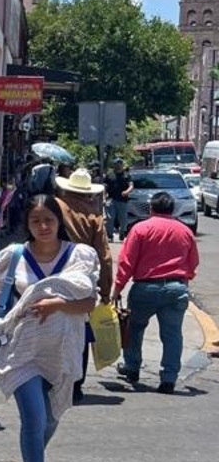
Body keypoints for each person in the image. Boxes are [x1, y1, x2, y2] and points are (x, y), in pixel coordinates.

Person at [0, 194, 97, 462]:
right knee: (34, 419)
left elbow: (89, 302)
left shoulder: (78, 256)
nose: (43, 227)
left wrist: (58, 305)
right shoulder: (14, 256)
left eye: (48, 220)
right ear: (26, 224)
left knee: (51, 417)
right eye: (35, 221)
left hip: (62, 349)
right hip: (22, 351)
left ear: (59, 222)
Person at [112, 190, 198, 393]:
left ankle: (132, 367)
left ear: (151, 208)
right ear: (172, 209)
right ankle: (169, 378)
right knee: (172, 334)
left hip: (145, 287)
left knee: (134, 329)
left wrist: (118, 288)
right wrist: (183, 279)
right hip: (176, 287)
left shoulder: (140, 229)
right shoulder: (185, 231)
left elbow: (127, 262)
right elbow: (193, 261)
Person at [52, 166, 113, 401]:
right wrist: (105, 290)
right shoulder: (94, 216)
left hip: (53, 272)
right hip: (82, 278)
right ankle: (76, 385)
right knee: (80, 331)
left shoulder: (54, 206)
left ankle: (52, 379)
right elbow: (104, 256)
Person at [105, 158, 132, 241]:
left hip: (123, 201)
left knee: (123, 220)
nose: (119, 165)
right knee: (110, 218)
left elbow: (131, 185)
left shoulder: (127, 175)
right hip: (111, 199)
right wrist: (104, 195)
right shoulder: (109, 175)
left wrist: (127, 191)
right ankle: (110, 235)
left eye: (120, 163)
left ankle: (122, 232)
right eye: (117, 163)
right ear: (114, 165)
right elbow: (105, 186)